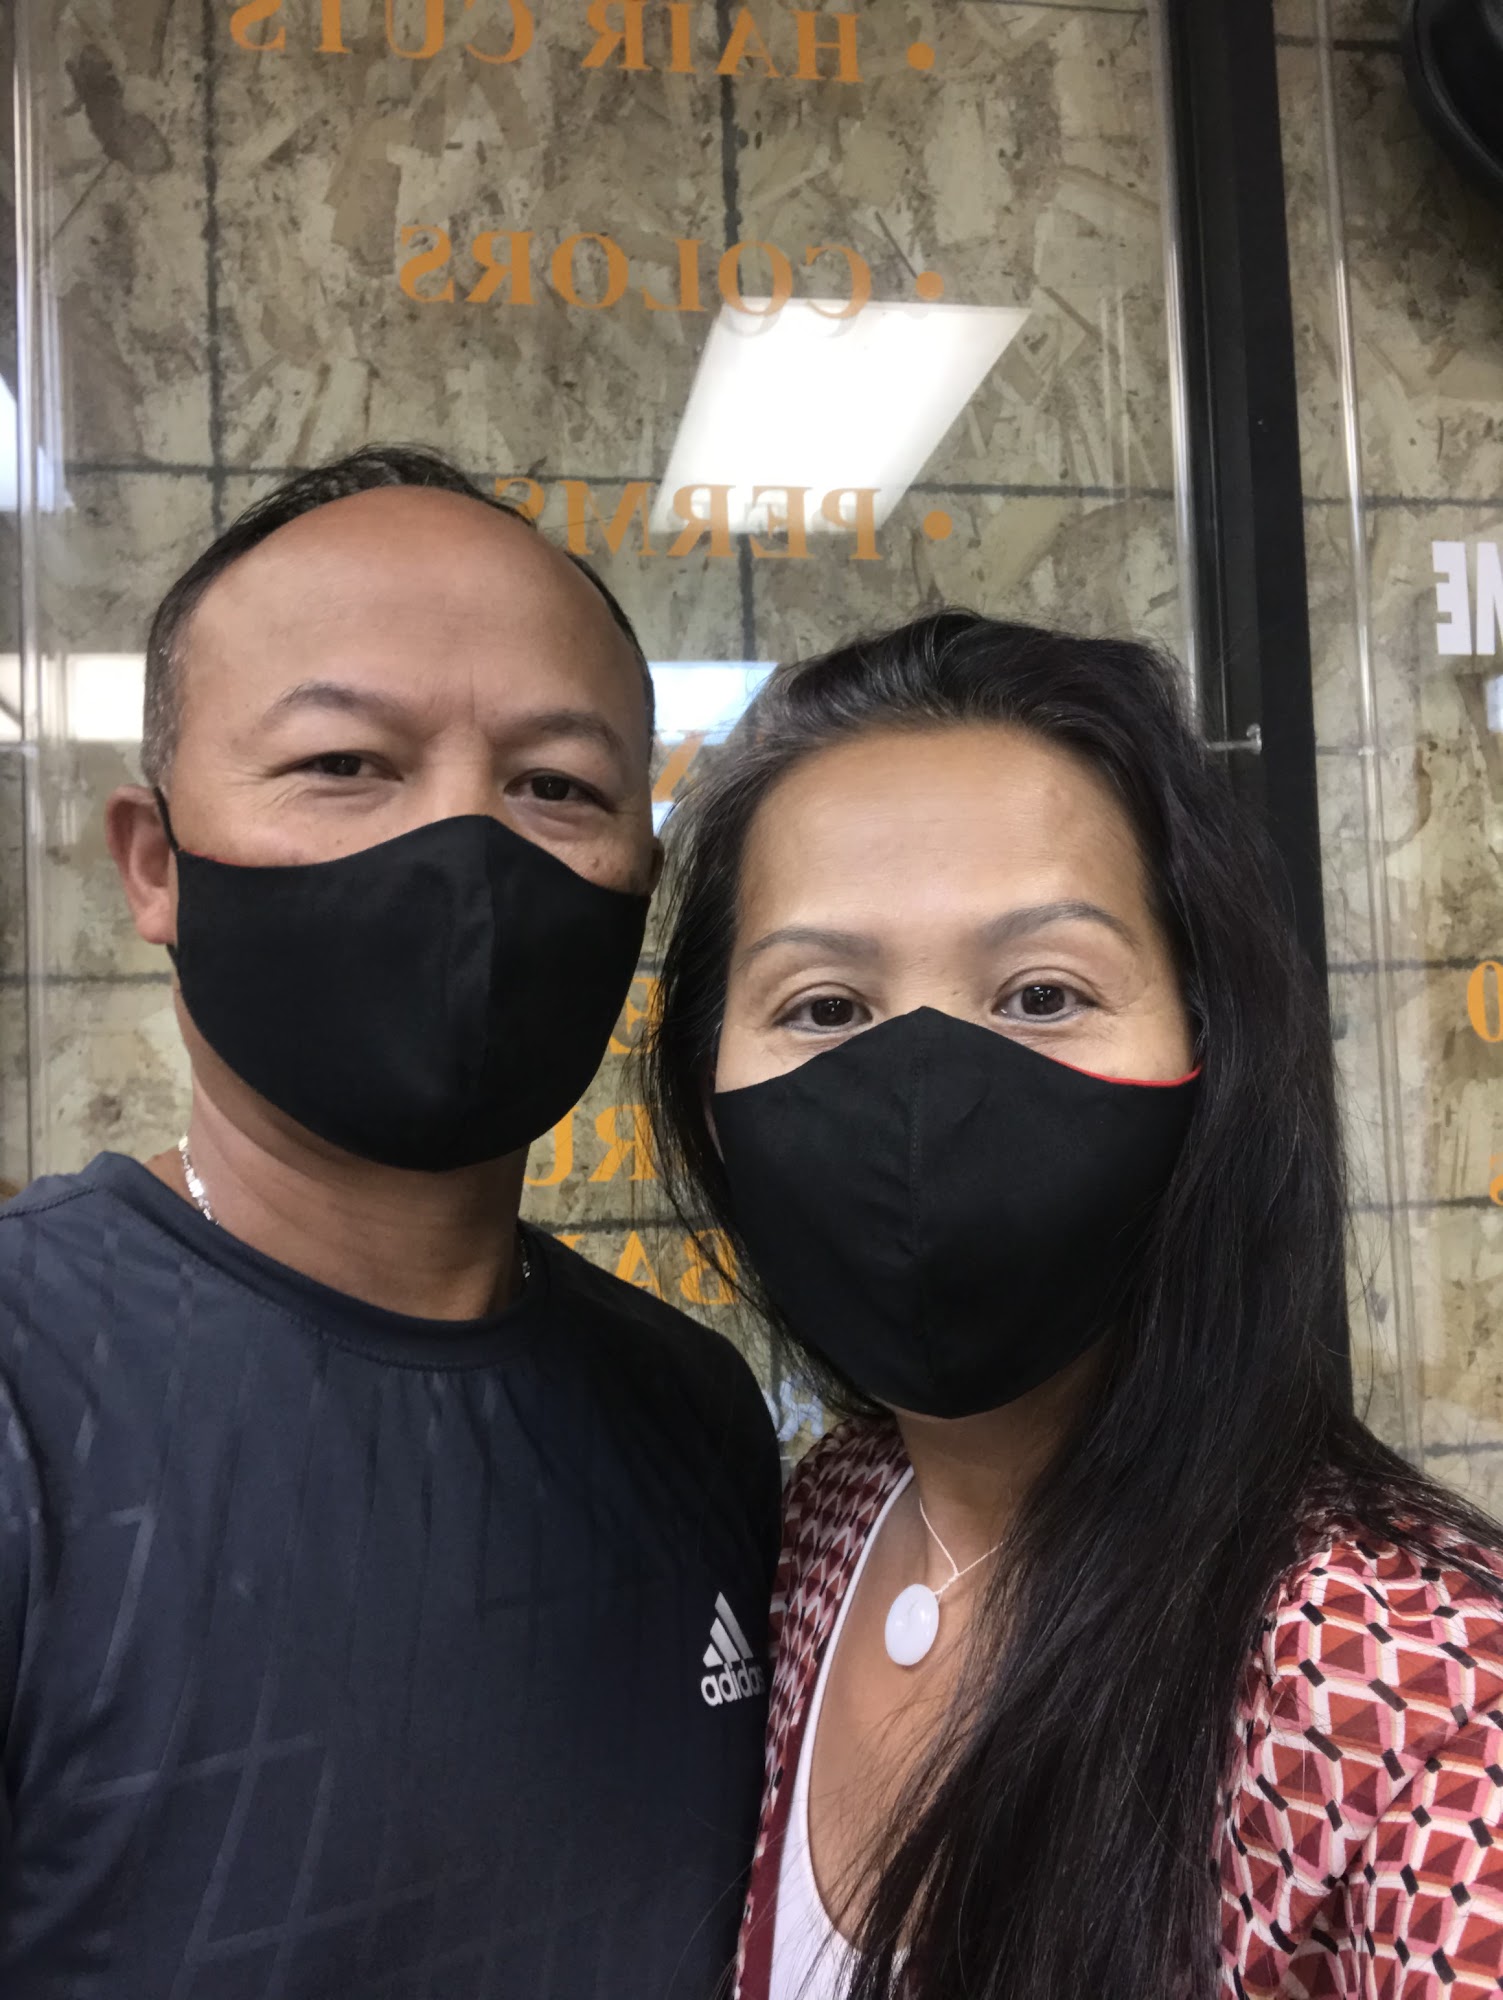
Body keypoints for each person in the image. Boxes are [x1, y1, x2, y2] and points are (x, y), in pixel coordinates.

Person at [0, 448, 780, 1997]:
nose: (464, 850)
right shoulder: (28, 1393)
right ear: (154, 864)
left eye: (557, 787)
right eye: (346, 762)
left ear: (637, 875)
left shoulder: (694, 1413)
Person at [644, 610, 1503, 2000]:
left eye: (1043, 993)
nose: (923, 1092)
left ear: (1211, 1053)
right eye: (825, 1008)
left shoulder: (1420, 1697)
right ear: (712, 1096)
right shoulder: (824, 1528)